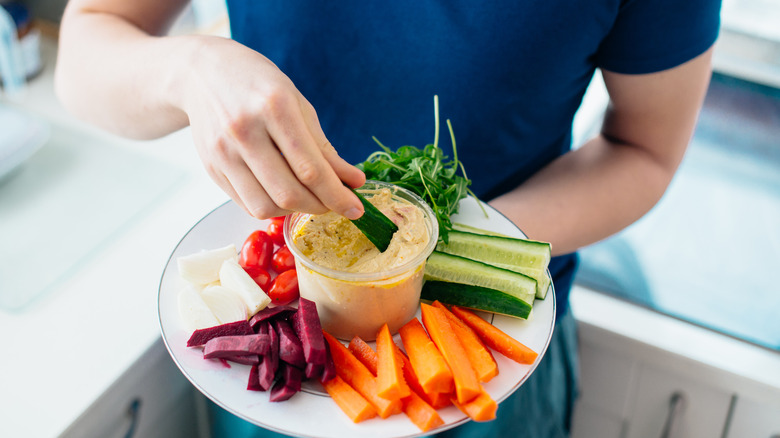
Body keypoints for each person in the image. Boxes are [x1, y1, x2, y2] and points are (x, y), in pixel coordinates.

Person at [55, 1, 722, 436]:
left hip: (482, 362)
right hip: (287, 368)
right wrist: (189, 68)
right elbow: (85, 48)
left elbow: (645, 151)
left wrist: (448, 249)